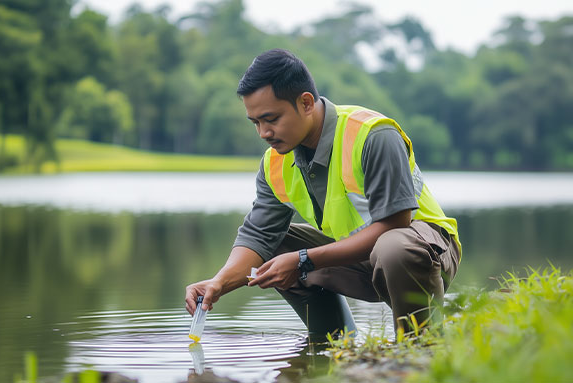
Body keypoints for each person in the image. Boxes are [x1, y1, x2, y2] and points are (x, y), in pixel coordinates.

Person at [185, 48, 461, 336]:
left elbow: (395, 224)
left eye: (271, 119)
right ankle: (332, 344)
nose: (263, 133)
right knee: (275, 247)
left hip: (424, 251)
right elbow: (257, 237)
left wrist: (303, 259)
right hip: (357, 256)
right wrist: (219, 283)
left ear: (305, 103)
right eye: (256, 123)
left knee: (392, 246)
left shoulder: (373, 135)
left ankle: (421, 343)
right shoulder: (274, 161)